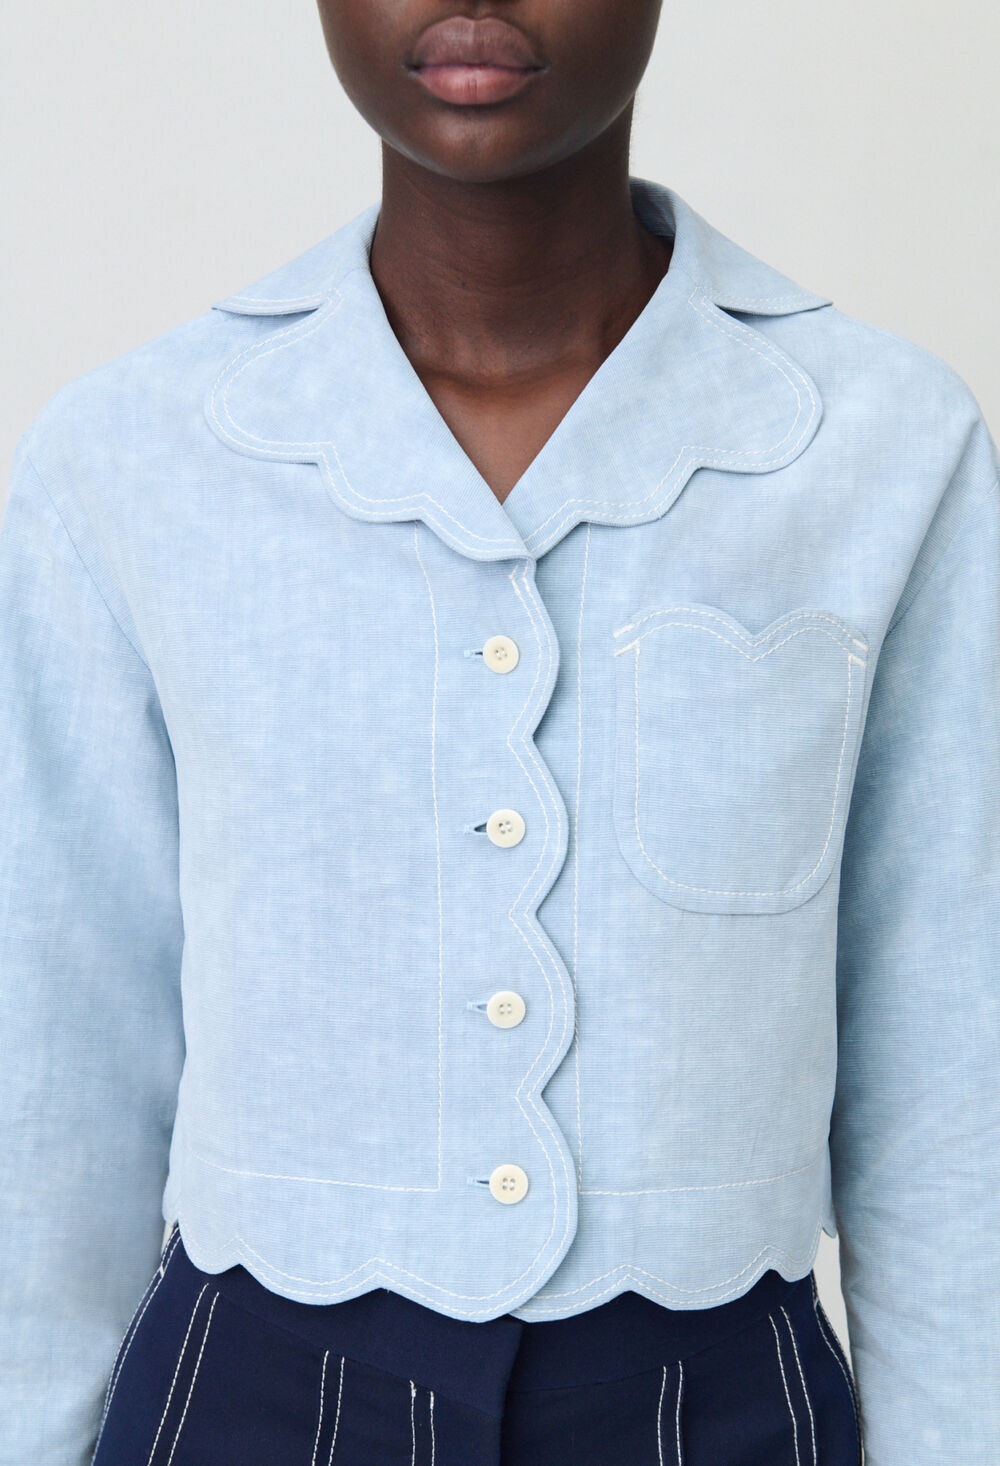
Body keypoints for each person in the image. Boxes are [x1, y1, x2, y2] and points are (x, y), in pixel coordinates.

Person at [1, 2, 998, 1464]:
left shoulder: (882, 443)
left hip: (714, 1407)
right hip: (251, 1399)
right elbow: (53, 1057)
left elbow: (954, 1059)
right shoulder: (134, 456)